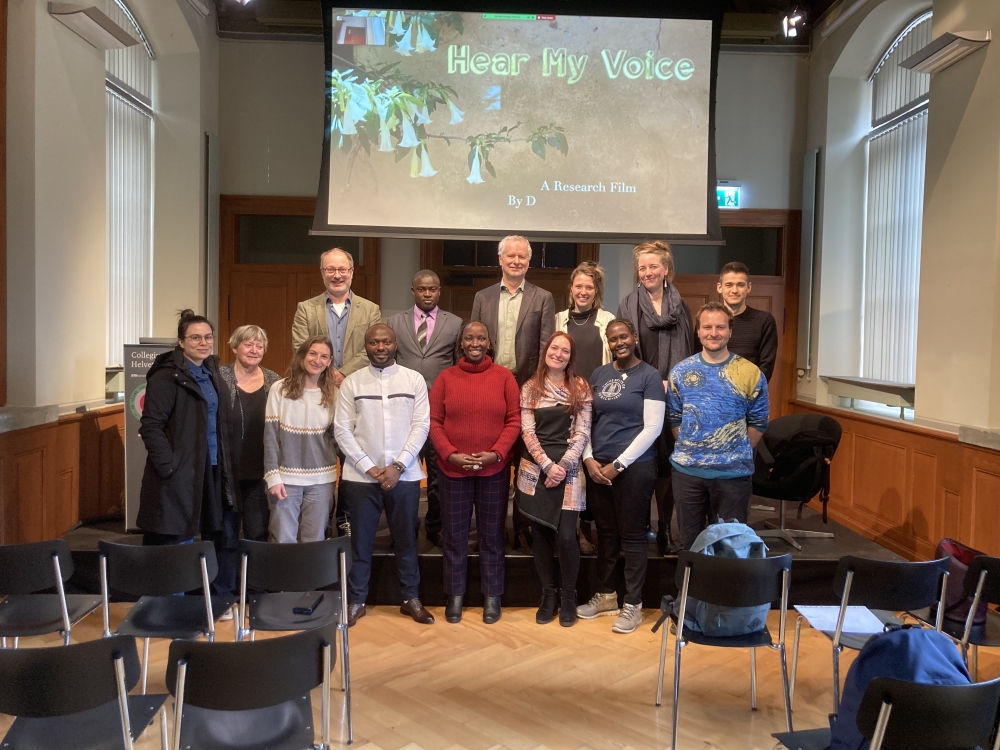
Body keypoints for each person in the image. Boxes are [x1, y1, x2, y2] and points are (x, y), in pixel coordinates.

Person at [334, 325, 433, 627]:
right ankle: (356, 600)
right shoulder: (352, 383)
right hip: (361, 477)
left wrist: (399, 466)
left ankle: (410, 598)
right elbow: (341, 430)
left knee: (406, 540)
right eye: (374, 342)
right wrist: (368, 466)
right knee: (360, 543)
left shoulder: (413, 379)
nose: (380, 346)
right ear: (365, 346)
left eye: (386, 341)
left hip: (404, 476)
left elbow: (421, 426)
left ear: (395, 344)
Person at [137, 309, 239, 599]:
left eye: (208, 337)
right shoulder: (167, 377)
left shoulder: (213, 372)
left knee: (213, 535)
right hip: (181, 471)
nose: (203, 342)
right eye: (195, 337)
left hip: (212, 468)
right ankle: (171, 609)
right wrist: (169, 465)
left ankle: (209, 604)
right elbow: (151, 426)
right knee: (176, 539)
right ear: (181, 342)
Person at [429, 321, 520, 625]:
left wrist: (495, 454)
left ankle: (492, 595)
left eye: (481, 338)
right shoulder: (446, 378)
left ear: (489, 343)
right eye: (469, 338)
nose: (475, 343)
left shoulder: (504, 377)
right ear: (462, 343)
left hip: (493, 470)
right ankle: (454, 594)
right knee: (454, 536)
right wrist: (450, 455)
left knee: (491, 536)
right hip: (452, 470)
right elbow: (434, 421)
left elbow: (514, 421)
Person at [578, 319, 665, 634]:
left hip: (635, 467)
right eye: (613, 339)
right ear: (608, 342)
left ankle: (633, 605)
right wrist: (588, 459)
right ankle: (606, 596)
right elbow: (585, 421)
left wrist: (620, 464)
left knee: (632, 535)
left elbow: (653, 427)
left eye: (623, 336)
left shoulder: (650, 376)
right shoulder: (599, 375)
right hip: (598, 467)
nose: (619, 343)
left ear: (634, 337)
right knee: (607, 533)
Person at [471, 235, 556, 550]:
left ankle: (522, 525)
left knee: (525, 459)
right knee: (493, 458)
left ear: (529, 262)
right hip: (490, 387)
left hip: (526, 390)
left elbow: (546, 347)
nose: (516, 261)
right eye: (511, 256)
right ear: (501, 260)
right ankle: (491, 527)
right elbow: (475, 344)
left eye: (522, 256)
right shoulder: (483, 297)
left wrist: (535, 388)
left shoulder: (543, 297)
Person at [291, 247, 381, 537]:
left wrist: (341, 374)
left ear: (352, 272)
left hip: (356, 397)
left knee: (353, 461)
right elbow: (301, 349)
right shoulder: (306, 308)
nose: (337, 275)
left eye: (343, 269)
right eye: (331, 269)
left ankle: (346, 522)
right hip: (317, 396)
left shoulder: (371, 310)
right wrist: (328, 374)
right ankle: (318, 524)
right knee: (320, 458)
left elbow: (372, 351)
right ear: (322, 272)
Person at [667, 302, 770, 551]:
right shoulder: (680, 371)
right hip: (688, 474)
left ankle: (723, 593)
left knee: (730, 548)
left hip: (733, 476)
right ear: (699, 332)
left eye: (720, 327)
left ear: (730, 331)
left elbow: (759, 421)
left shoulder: (750, 372)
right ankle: (689, 591)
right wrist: (695, 447)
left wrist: (732, 450)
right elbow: (674, 417)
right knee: (689, 545)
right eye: (707, 327)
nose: (714, 332)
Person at [617, 240, 694, 556]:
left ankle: (664, 529)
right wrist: (652, 381)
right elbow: (624, 350)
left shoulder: (682, 305)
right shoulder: (628, 304)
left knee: (668, 466)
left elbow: (690, 351)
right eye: (642, 267)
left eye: (653, 266)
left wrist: (672, 382)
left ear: (666, 269)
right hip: (641, 395)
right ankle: (637, 528)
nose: (647, 272)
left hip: (677, 398)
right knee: (641, 465)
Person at [516, 332, 592, 627]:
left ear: (571, 357)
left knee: (566, 537)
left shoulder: (581, 387)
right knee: (542, 536)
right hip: (536, 471)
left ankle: (569, 597)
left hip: (570, 471)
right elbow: (527, 432)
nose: (558, 354)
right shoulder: (530, 388)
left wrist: (563, 466)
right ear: (546, 351)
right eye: (554, 348)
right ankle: (548, 596)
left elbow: (583, 432)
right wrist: (548, 466)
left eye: (565, 351)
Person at [386, 270, 462, 548]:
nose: (427, 293)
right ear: (413, 290)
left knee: (438, 475)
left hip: (438, 412)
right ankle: (405, 527)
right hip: (404, 411)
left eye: (432, 289)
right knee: (404, 472)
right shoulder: (395, 321)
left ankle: (435, 527)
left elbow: (457, 368)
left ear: (439, 291)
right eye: (421, 289)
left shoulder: (455, 323)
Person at [554, 260, 615, 555]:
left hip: (599, 401)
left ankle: (592, 528)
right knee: (571, 465)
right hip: (566, 401)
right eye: (578, 286)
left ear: (596, 290)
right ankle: (573, 530)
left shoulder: (607, 320)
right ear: (571, 289)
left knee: (593, 462)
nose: (583, 291)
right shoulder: (558, 321)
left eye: (588, 287)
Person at [263, 335, 339, 544]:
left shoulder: (334, 393)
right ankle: (284, 578)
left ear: (330, 361)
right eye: (313, 353)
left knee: (314, 540)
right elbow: (270, 436)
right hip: (286, 479)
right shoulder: (280, 389)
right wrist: (273, 476)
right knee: (282, 540)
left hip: (322, 480)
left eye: (324, 356)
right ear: (303, 355)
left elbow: (337, 438)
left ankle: (310, 579)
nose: (317, 360)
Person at [218, 325, 281, 542]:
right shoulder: (218, 377)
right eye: (248, 344)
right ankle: (226, 577)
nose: (254, 349)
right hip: (226, 473)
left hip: (260, 473)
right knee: (225, 537)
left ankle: (252, 577)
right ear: (235, 347)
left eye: (259, 345)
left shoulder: (275, 381)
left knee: (258, 534)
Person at [717, 261, 779, 382]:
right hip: (712, 394)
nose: (734, 290)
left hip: (749, 395)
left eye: (740, 285)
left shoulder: (764, 321)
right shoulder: (708, 321)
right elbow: (698, 359)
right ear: (720, 287)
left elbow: (766, 366)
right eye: (729, 285)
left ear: (749, 287)